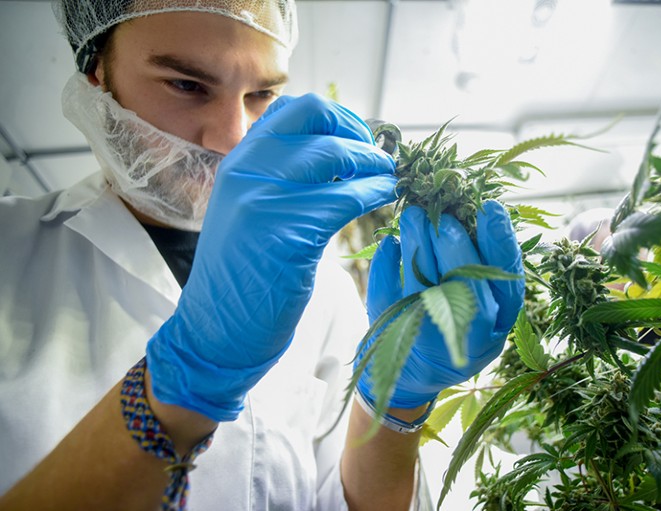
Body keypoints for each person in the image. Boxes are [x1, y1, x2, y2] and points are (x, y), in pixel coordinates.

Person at [0, 1, 525, 510]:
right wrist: (188, 376)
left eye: (262, 93)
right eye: (187, 85)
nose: (234, 136)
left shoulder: (326, 286)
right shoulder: (11, 247)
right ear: (98, 76)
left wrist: (395, 403)